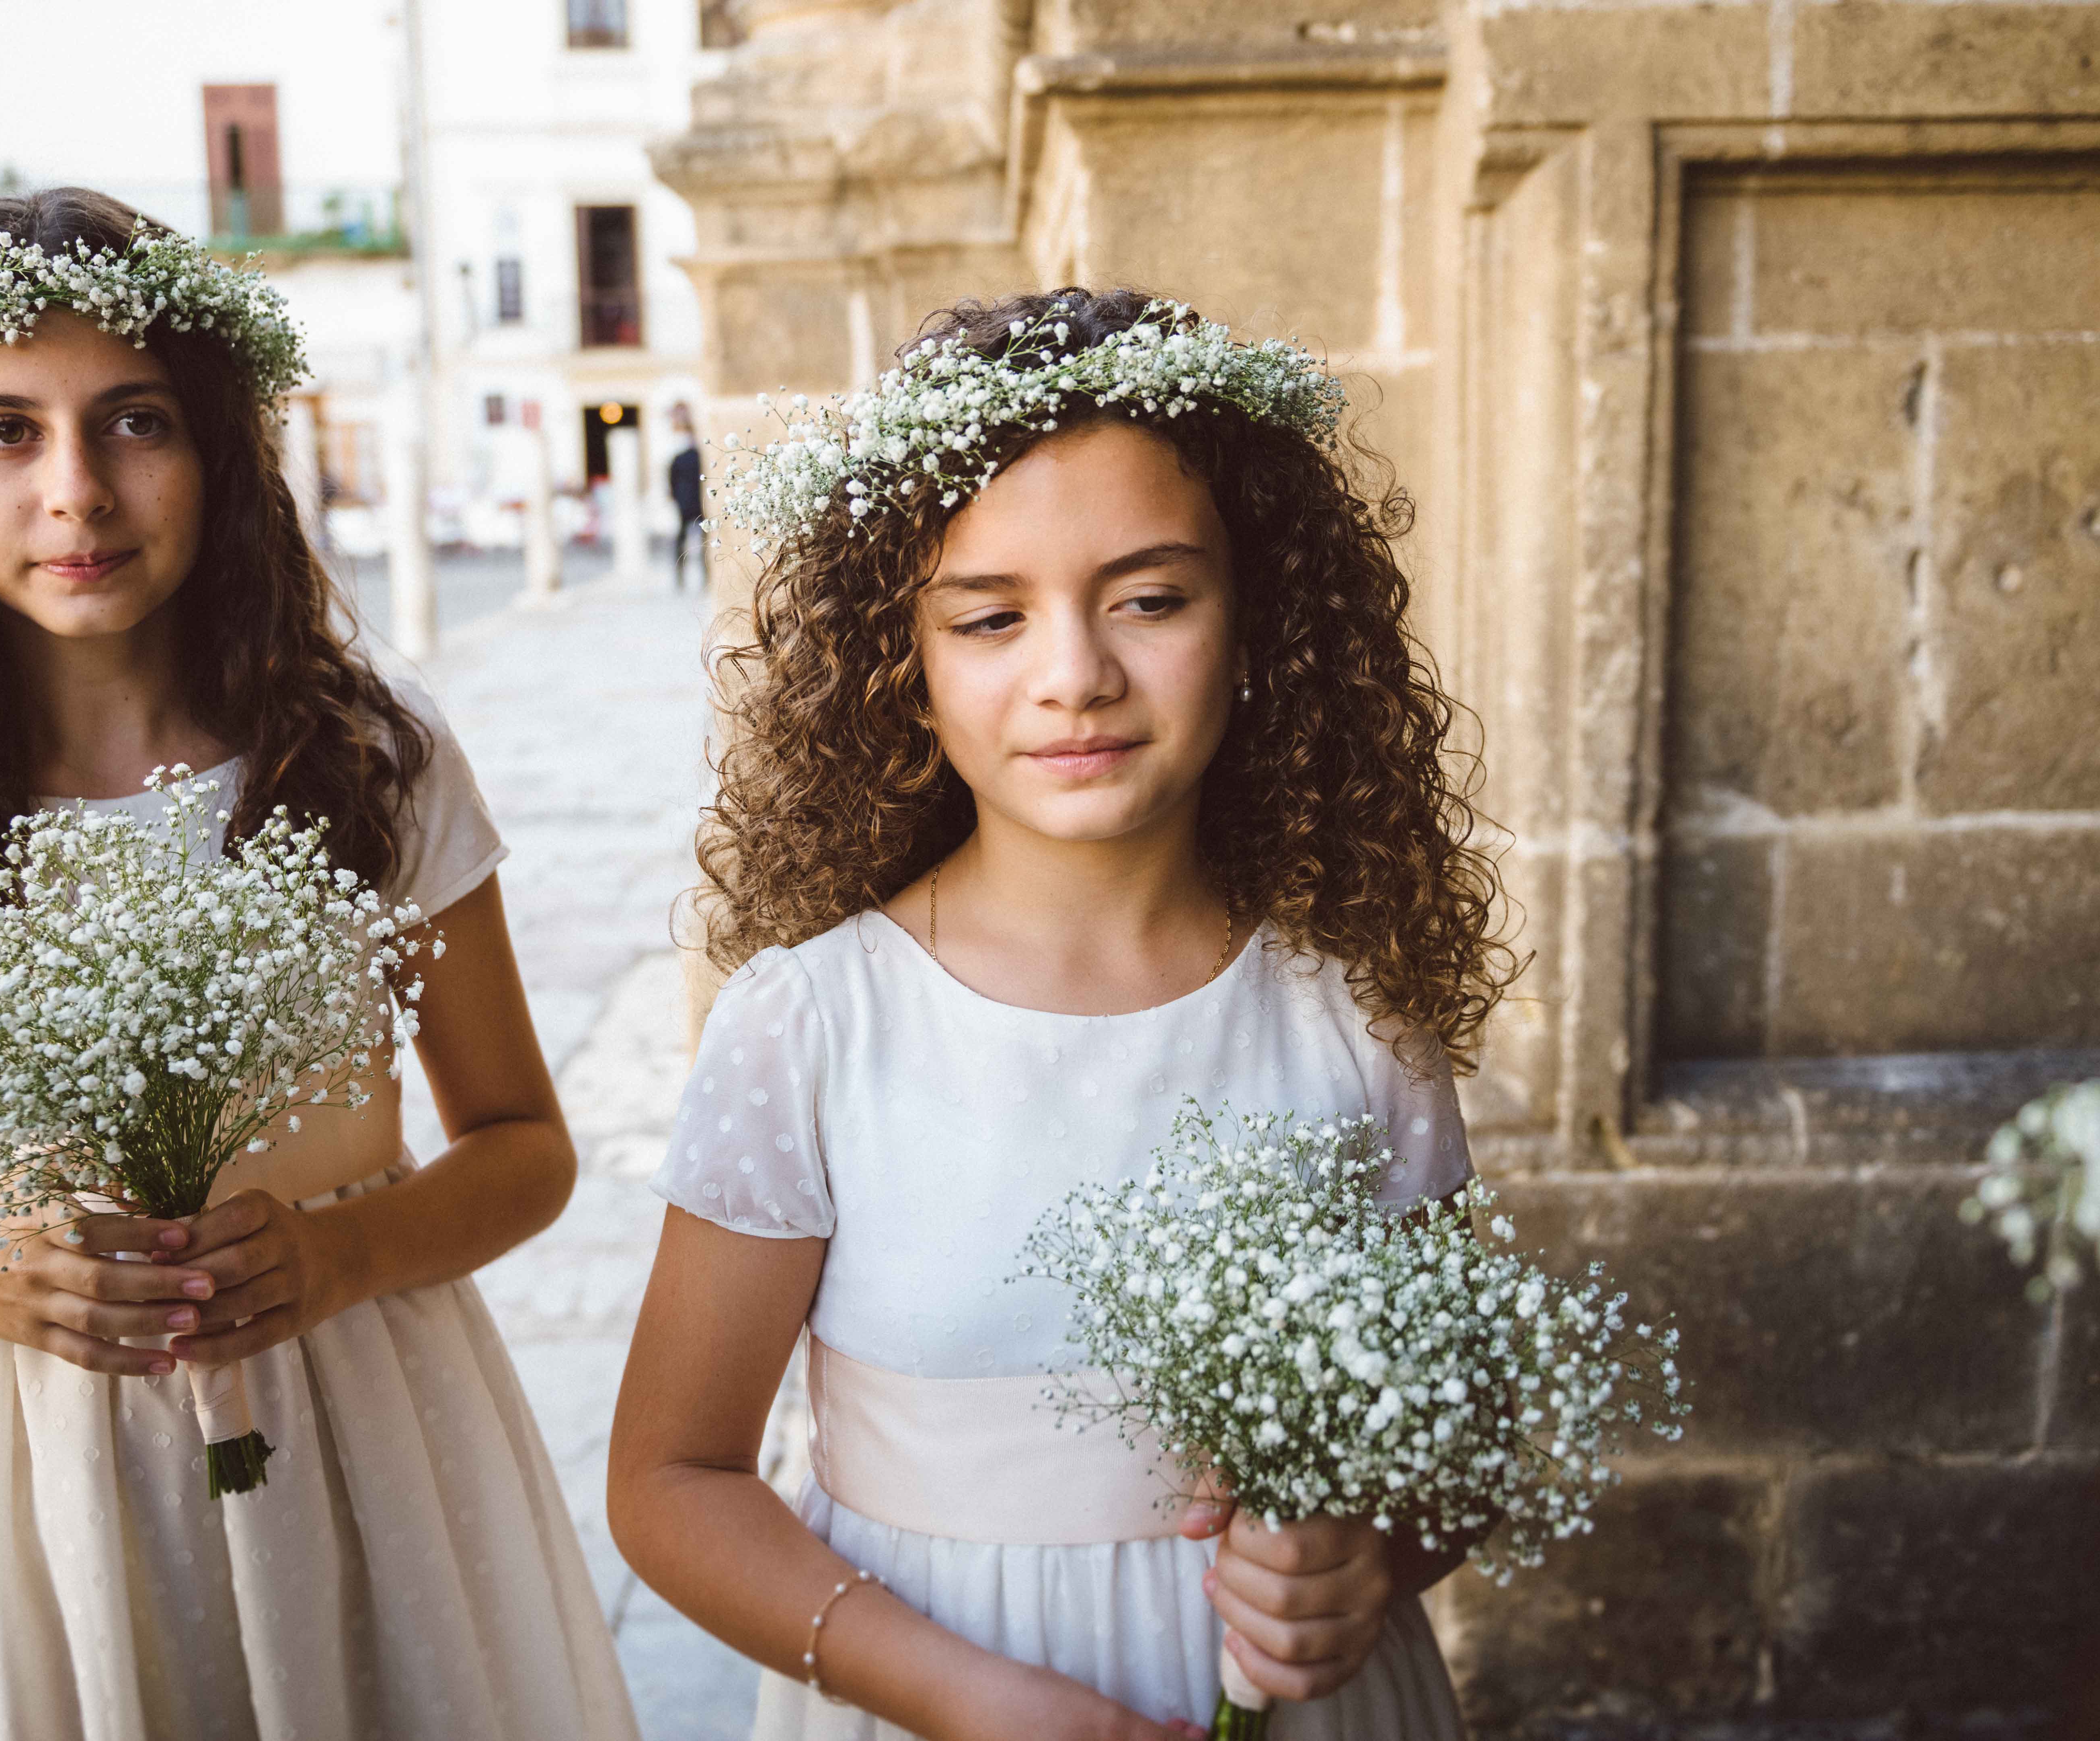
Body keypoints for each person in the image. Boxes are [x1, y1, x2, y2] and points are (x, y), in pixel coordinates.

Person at [0, 188, 639, 1740]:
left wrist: (343, 1251)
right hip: (33, 1484)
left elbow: (526, 1150)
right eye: (4, 430)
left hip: (367, 1440)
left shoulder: (365, 759)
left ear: (218, 450)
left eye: (133, 420)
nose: (75, 490)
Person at [607, 288, 1515, 1739]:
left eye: (1149, 598)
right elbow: (670, 1479)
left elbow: (1462, 1438)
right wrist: (965, 1696)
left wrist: (1367, 1558)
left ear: (1254, 621)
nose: (1075, 673)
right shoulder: (812, 1023)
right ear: (898, 661)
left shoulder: (1349, 1008)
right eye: (988, 616)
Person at [668, 405, 704, 591]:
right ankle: (685, 575)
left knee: (686, 539)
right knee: (689, 539)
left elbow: (672, 481)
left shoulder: (682, 457)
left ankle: (683, 576)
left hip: (688, 502)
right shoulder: (695, 456)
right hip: (694, 502)